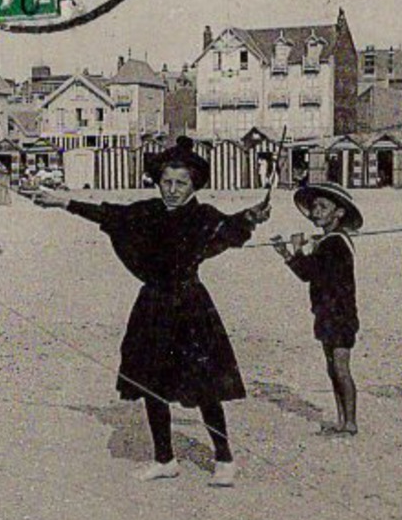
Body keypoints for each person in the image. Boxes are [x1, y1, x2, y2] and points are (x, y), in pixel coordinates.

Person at [33, 136, 270, 486]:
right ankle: (164, 459)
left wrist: (253, 216)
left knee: (204, 385)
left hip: (191, 307)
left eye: (181, 183)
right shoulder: (147, 212)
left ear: (194, 185)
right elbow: (109, 213)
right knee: (150, 382)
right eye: (166, 182)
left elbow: (232, 229)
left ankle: (224, 459)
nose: (172, 190)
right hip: (153, 306)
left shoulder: (204, 216)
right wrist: (63, 202)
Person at [270, 181, 361, 436]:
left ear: (339, 213)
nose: (316, 211)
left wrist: (296, 250)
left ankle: (350, 422)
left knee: (341, 368)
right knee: (332, 368)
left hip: (340, 315)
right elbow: (308, 272)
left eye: (323, 206)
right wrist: (287, 253)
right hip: (326, 314)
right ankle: (342, 420)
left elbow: (308, 272)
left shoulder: (335, 243)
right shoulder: (327, 242)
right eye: (314, 207)